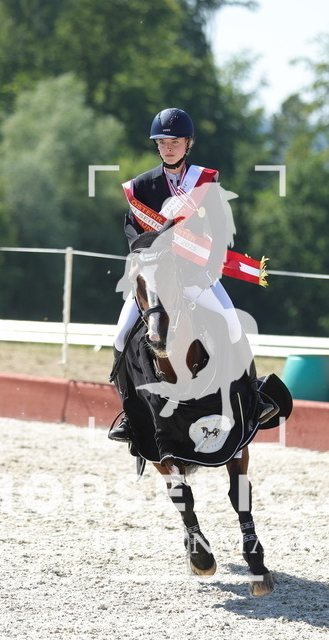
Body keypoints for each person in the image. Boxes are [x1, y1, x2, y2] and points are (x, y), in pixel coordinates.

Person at [108, 107, 268, 442]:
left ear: (188, 144)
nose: (168, 148)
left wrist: (209, 267)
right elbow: (131, 230)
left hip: (195, 276)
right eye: (163, 142)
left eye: (175, 141)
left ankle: (254, 397)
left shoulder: (204, 182)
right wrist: (147, 257)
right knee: (121, 337)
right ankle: (129, 413)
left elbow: (220, 227)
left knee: (231, 323)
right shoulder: (141, 185)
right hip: (154, 280)